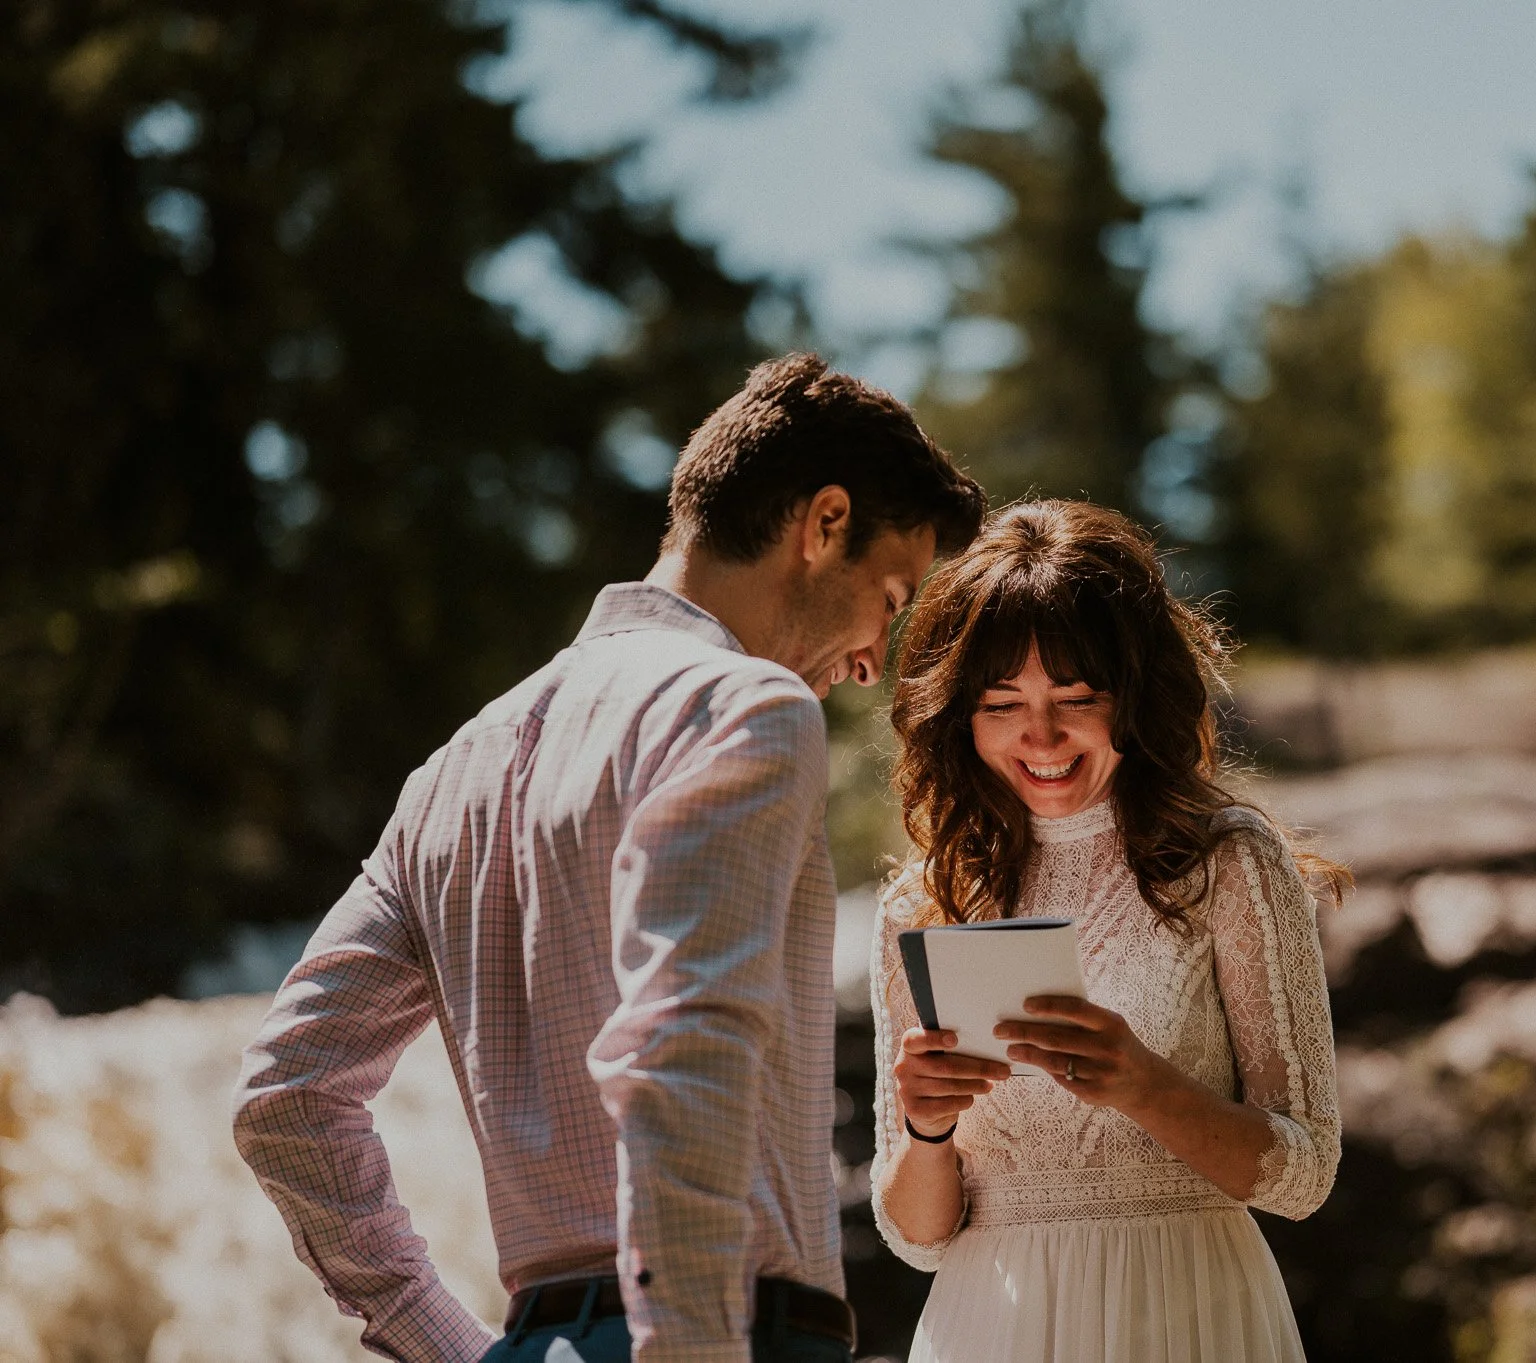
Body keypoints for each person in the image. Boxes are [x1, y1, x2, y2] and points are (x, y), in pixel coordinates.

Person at [231, 353, 984, 1363]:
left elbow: (287, 1096)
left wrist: (444, 1344)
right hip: (724, 1335)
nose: (868, 658)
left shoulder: (453, 769)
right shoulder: (747, 709)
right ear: (824, 523)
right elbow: (683, 1055)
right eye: (889, 600)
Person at [868, 500, 1345, 1362]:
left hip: (1189, 1315)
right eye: (1002, 702)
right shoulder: (923, 901)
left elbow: (1305, 1175)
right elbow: (915, 1236)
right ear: (956, 714)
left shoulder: (1228, 861)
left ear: (1134, 696)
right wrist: (925, 1131)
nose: (1040, 734)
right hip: (988, 1325)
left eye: (1076, 697)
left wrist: (1143, 1084)